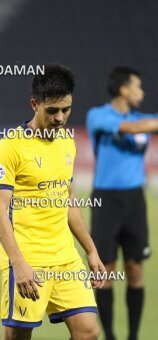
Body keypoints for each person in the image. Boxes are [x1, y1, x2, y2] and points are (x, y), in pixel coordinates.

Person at [0, 64, 106, 339]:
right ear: (34, 104)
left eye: (66, 110)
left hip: (65, 258)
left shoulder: (67, 142)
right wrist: (19, 263)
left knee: (88, 332)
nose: (60, 118)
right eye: (52, 111)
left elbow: (67, 200)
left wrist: (90, 250)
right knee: (18, 336)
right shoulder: (10, 146)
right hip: (27, 257)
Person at [87, 66, 158, 340]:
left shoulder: (145, 118)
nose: (141, 92)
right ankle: (111, 336)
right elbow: (135, 128)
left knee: (135, 269)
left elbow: (144, 124)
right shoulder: (98, 116)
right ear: (123, 89)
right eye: (137, 86)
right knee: (105, 271)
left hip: (134, 200)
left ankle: (133, 337)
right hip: (105, 200)